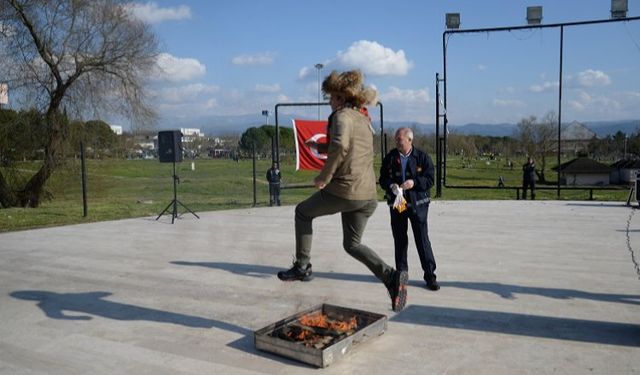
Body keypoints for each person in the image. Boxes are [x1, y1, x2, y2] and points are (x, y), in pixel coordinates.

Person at [277, 70, 408, 312]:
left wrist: (324, 177)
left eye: (330, 97)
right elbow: (350, 145)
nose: (329, 101)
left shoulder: (341, 116)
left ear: (339, 96)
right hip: (367, 196)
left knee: (303, 212)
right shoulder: (363, 119)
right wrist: (320, 144)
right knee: (352, 244)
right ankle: (391, 278)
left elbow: (340, 145)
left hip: (345, 190)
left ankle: (302, 266)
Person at [379, 128, 440, 291]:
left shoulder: (422, 157)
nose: (397, 142)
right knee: (399, 239)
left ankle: (430, 275)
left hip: (418, 204)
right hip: (398, 204)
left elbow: (430, 179)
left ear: (409, 140)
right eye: (396, 139)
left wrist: (414, 183)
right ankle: (402, 275)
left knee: (422, 239)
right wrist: (390, 185)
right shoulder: (390, 157)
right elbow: (383, 178)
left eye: (400, 139)